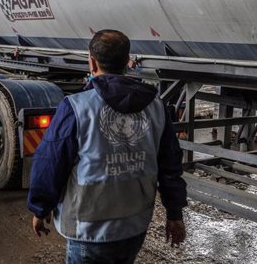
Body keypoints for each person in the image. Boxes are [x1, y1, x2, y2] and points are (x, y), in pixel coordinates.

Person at [28, 29, 187, 264]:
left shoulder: (77, 107)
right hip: (134, 228)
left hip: (89, 233)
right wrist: (175, 214)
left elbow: (51, 162)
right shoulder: (155, 106)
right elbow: (170, 165)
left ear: (91, 62)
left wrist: (40, 208)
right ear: (128, 62)